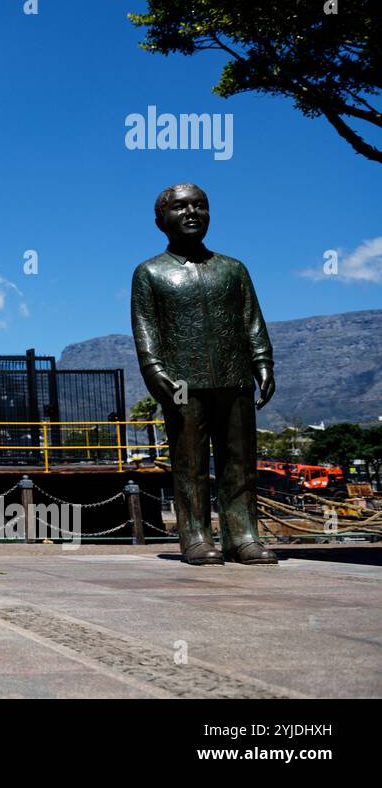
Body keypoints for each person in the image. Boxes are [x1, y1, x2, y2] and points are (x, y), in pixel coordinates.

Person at [131, 183, 278, 565]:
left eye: (200, 205)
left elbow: (252, 320)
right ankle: (195, 536)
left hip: (235, 377)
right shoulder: (150, 273)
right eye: (180, 207)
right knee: (190, 464)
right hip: (182, 383)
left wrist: (263, 362)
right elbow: (145, 328)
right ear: (160, 220)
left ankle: (243, 535)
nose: (191, 212)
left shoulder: (233, 269)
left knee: (240, 462)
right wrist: (154, 369)